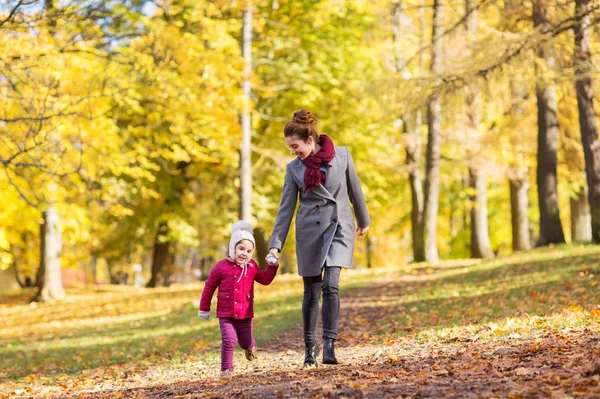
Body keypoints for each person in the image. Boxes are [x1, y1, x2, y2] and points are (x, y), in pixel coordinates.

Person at [268, 109, 370, 368]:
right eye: (290, 147)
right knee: (311, 293)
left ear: (310, 140)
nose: (293, 151)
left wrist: (363, 219)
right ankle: (309, 348)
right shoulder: (294, 170)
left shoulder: (343, 155)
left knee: (331, 286)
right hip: (310, 232)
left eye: (295, 146)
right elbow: (286, 209)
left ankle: (329, 345)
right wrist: (275, 245)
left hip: (339, 228)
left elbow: (354, 188)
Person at [198, 220, 279, 378]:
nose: (244, 253)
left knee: (244, 342)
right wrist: (204, 308)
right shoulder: (220, 267)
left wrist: (272, 266)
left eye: (249, 251)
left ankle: (251, 345)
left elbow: (265, 279)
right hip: (225, 313)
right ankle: (226, 370)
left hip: (245, 314)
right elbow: (208, 288)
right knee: (229, 340)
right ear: (233, 248)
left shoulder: (252, 267)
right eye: (241, 249)